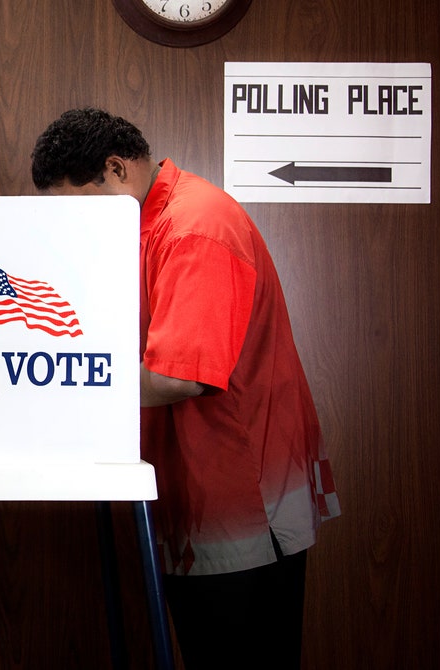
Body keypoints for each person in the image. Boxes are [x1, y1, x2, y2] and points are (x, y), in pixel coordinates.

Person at [31, 108, 340, 668]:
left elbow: (181, 375)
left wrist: (62, 384)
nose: (75, 230)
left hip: (236, 489)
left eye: (77, 209)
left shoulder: (195, 226)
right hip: (200, 487)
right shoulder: (152, 223)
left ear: (115, 168)